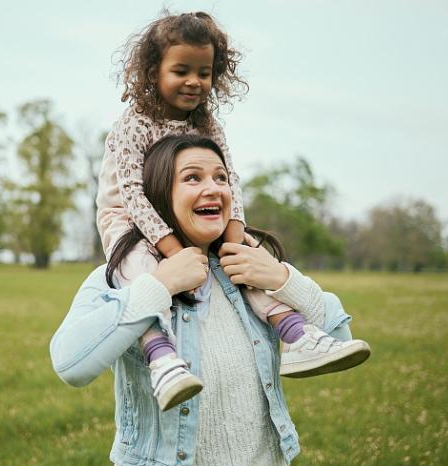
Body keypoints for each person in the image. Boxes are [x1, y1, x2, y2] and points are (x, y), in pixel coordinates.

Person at [51, 135, 369, 466]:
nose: (214, 188)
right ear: (158, 195)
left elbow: (340, 336)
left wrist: (282, 277)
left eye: (222, 178)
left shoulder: (249, 270)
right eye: (192, 177)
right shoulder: (123, 275)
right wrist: (160, 286)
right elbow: (70, 364)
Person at [96, 11, 370, 410]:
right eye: (181, 70)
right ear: (154, 71)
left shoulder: (207, 124)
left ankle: (296, 335)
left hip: (186, 217)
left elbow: (230, 180)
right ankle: (162, 358)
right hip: (127, 216)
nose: (194, 81)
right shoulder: (134, 123)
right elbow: (134, 194)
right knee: (141, 272)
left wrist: (235, 231)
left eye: (204, 72)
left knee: (244, 259)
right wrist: (173, 252)